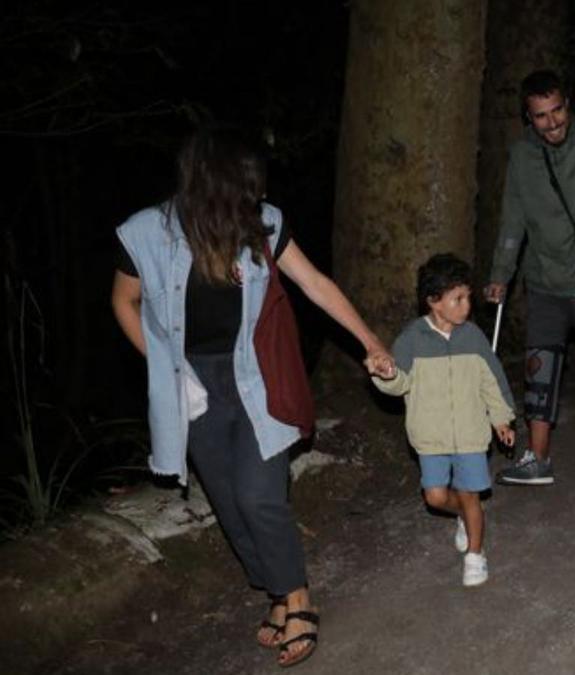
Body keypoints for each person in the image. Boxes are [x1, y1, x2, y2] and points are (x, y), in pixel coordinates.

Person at [111, 127, 394, 668]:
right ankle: (274, 591)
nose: (254, 196)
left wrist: (370, 341)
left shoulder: (262, 224)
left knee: (260, 494)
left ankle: (297, 599)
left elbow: (314, 283)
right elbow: (124, 301)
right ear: (210, 185)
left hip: (254, 376)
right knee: (228, 500)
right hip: (193, 385)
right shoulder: (145, 232)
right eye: (243, 186)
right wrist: (165, 367)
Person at [484, 69, 575, 485]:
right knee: (539, 365)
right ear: (528, 118)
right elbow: (513, 220)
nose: (553, 122)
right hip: (544, 276)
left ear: (568, 104)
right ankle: (538, 457)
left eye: (558, 110)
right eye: (542, 116)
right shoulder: (522, 156)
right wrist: (501, 274)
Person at [372, 254, 516, 586]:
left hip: (469, 434)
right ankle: (465, 518)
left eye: (467, 297)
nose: (467, 305)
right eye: (458, 299)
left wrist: (501, 420)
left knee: (471, 494)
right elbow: (399, 382)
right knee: (435, 497)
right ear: (434, 302)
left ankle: (476, 556)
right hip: (430, 436)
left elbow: (492, 382)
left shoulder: (473, 337)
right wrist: (387, 374)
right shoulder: (412, 339)